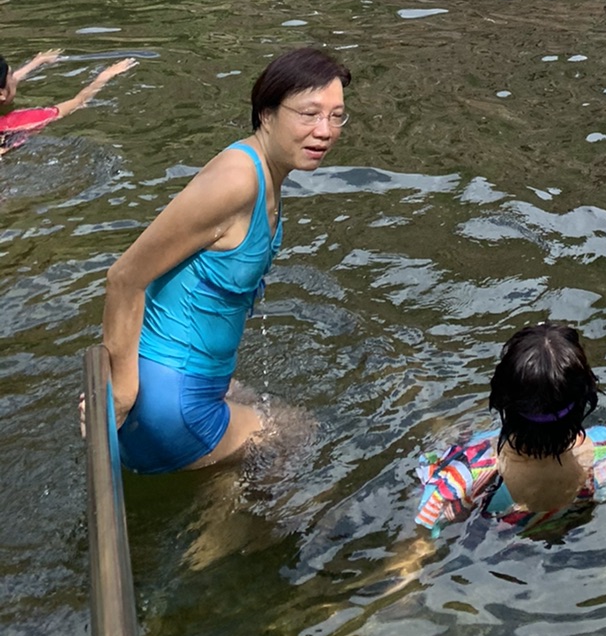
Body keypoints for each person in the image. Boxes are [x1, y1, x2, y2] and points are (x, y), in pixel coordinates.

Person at [103, 47, 351, 473]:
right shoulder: (238, 180)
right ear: (267, 114)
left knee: (252, 400)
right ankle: (227, 534)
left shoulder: (266, 176)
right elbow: (124, 277)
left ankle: (222, 496)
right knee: (297, 430)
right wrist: (121, 393)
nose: (324, 130)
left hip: (177, 388)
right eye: (309, 114)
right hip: (164, 403)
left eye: (336, 116)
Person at [414, 322, 606, 537]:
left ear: (501, 401)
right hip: (566, 529)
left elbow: (418, 549)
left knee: (445, 429)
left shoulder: (464, 476)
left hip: (498, 532)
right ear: (587, 399)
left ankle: (418, 388)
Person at [0, 49, 137, 138]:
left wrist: (37, 62)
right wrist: (105, 75)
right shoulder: (19, 121)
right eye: (11, 76)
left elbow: (11, 81)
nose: (15, 78)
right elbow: (79, 101)